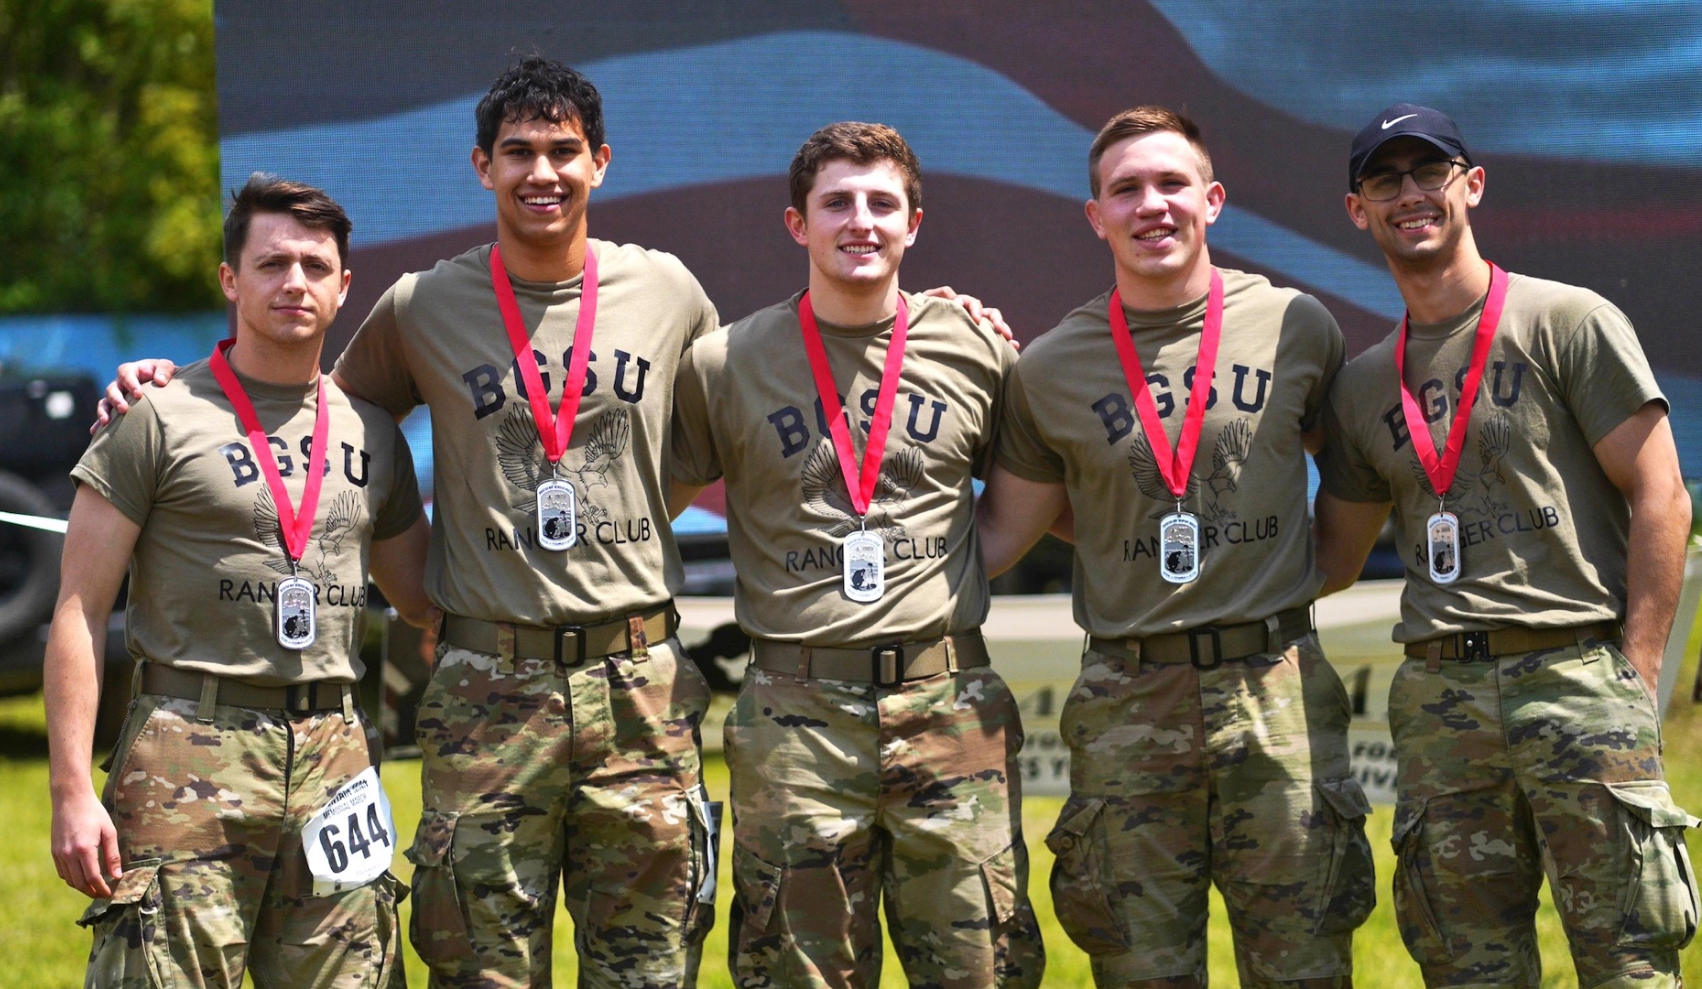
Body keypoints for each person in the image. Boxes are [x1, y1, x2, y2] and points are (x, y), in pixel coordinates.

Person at [94, 57, 1014, 989]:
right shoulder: (421, 306)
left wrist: (937, 312)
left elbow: (785, 366)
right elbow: (309, 414)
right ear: (481, 167)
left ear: (601, 163)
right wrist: (174, 389)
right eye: (519, 151)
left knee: (649, 965)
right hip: (489, 688)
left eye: (564, 151)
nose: (543, 171)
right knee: (482, 967)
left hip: (639, 689)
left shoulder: (668, 293)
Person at [976, 106, 1374, 988]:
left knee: (1304, 964)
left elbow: (1353, 477)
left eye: (1171, 184)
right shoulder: (1050, 366)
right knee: (1139, 968)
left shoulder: (1296, 325)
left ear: (1213, 199)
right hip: (1128, 699)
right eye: (1126, 190)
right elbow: (1017, 525)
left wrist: (1306, 577)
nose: (1151, 205)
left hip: (1278, 693)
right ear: (1095, 215)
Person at [1314, 103, 1700, 989]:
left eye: (1429, 172)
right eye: (1385, 179)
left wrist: (1635, 676)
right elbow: (1330, 560)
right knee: (1465, 967)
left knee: (1630, 965)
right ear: (1357, 210)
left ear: (1472, 186)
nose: (1409, 194)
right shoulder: (1364, 383)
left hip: (1577, 676)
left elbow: (1661, 498)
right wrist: (1116, 538)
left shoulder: (1568, 319)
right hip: (1441, 703)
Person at [667, 121, 1043, 989]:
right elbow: (656, 500)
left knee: (980, 965)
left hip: (949, 705)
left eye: (883, 203)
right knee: (797, 971)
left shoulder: (978, 350)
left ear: (915, 221)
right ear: (797, 223)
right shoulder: (723, 365)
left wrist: (935, 585)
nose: (861, 221)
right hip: (795, 716)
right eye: (836, 202)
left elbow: (1017, 513)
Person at [46, 175, 436, 988]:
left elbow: (426, 601)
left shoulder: (374, 436)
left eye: (315, 267)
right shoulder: (154, 415)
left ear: (343, 287)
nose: (294, 282)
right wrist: (72, 790)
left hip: (335, 759)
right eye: (271, 263)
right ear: (231, 279)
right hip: (187, 746)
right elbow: (78, 613)